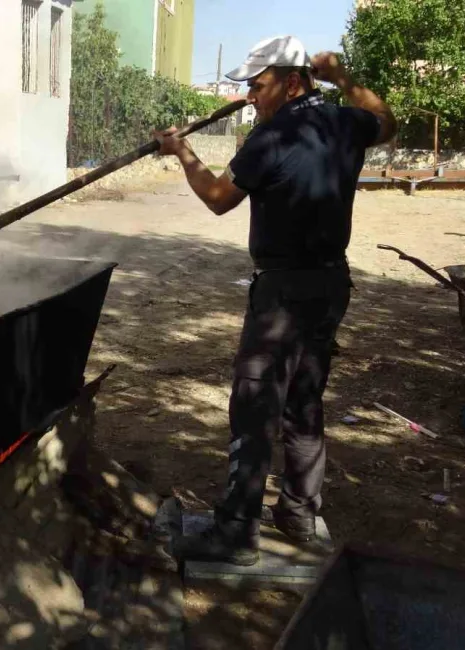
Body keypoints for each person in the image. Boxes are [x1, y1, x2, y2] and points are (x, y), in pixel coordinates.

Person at [152, 35, 397, 565]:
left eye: (258, 88)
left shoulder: (273, 136)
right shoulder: (344, 121)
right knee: (304, 400)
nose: (249, 98)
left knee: (255, 404)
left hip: (284, 292)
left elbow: (219, 199)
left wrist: (182, 151)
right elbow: (387, 120)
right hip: (331, 286)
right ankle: (299, 513)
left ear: (290, 82)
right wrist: (345, 78)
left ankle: (236, 533)